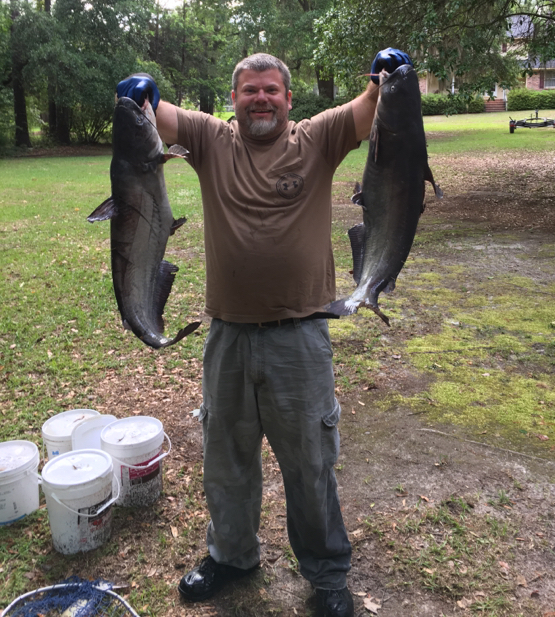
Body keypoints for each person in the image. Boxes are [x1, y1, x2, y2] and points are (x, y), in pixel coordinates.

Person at [117, 48, 412, 617]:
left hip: (300, 337)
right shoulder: (210, 139)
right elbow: (155, 114)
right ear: (234, 99)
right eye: (249, 90)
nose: (260, 99)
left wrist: (388, 76)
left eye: (271, 90)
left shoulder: (317, 138)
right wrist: (139, 94)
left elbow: (371, 108)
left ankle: (327, 575)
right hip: (228, 336)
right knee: (226, 462)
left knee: (310, 465)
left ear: (288, 99)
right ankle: (231, 556)